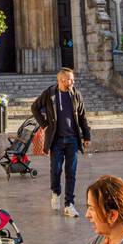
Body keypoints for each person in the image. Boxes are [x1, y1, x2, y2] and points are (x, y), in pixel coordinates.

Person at [31, 68, 91, 218]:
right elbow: (34, 108)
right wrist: (44, 125)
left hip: (72, 140)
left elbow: (82, 116)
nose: (73, 82)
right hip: (56, 140)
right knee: (56, 170)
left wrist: (86, 136)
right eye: (70, 79)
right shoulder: (50, 93)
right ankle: (56, 192)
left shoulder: (76, 94)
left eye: (73, 79)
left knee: (71, 172)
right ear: (62, 80)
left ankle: (69, 204)